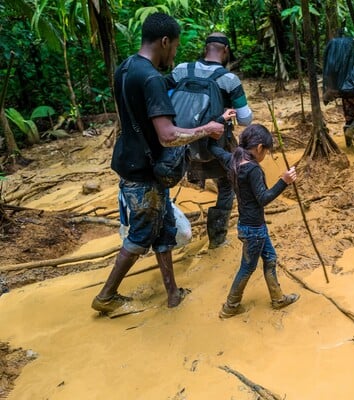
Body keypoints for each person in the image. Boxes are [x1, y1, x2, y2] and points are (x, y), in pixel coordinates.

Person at [91, 13, 230, 314]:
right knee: (140, 237)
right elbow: (168, 136)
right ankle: (105, 296)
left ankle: (172, 293)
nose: (175, 54)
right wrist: (207, 129)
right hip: (144, 173)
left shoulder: (126, 68)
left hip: (133, 161)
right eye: (175, 47)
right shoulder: (152, 78)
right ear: (165, 41)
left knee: (164, 229)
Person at [169, 32, 253, 250]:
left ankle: (165, 236)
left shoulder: (180, 70)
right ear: (225, 51)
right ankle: (217, 237)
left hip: (181, 144)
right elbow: (245, 119)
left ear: (205, 48)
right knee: (227, 185)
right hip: (215, 146)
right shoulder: (229, 79)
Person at [208, 124, 300, 319]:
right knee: (247, 266)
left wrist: (217, 125)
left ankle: (277, 298)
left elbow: (214, 149)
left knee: (270, 258)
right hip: (254, 230)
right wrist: (284, 181)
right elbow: (263, 198)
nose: (265, 155)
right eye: (266, 151)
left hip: (249, 226)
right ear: (259, 148)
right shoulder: (253, 170)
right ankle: (230, 306)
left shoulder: (233, 159)